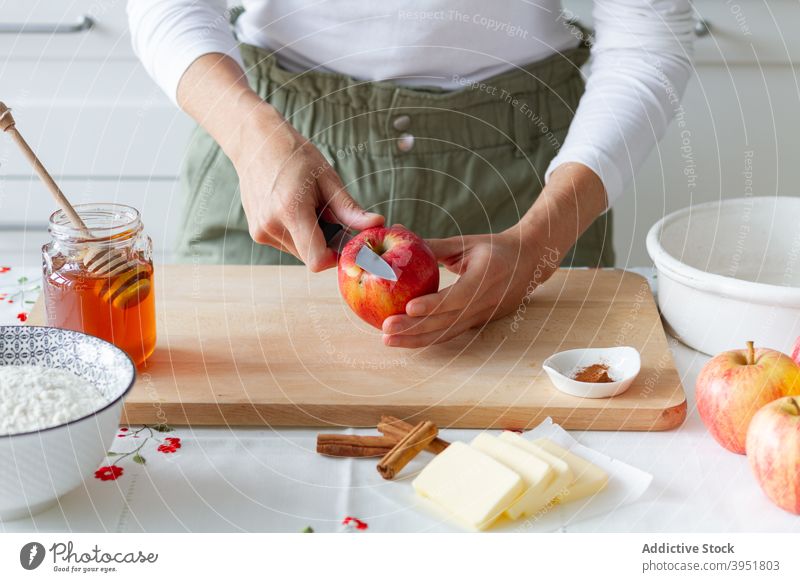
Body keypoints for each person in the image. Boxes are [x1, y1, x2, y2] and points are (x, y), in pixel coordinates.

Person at [128, 1, 693, 347]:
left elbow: (649, 36)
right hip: (267, 138)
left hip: (525, 174)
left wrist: (541, 237)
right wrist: (248, 134)